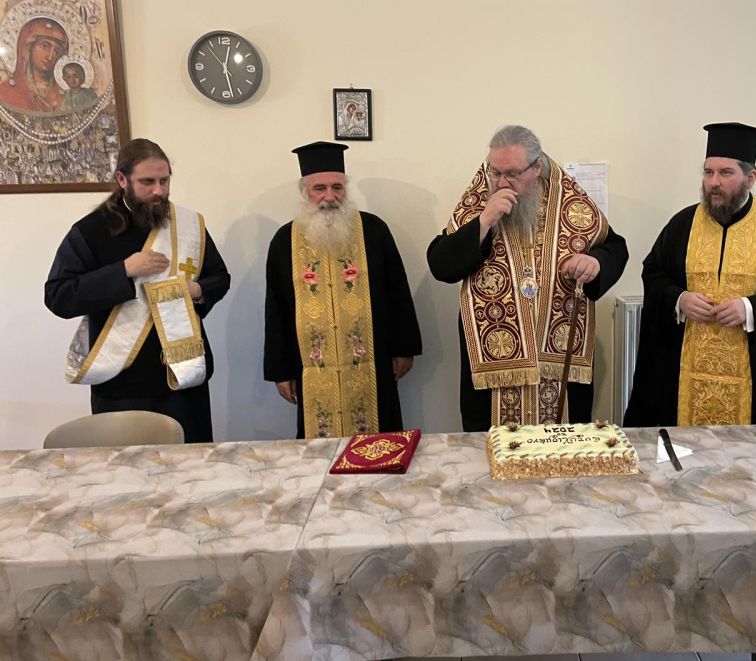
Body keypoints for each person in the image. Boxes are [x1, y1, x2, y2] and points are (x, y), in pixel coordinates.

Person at [427, 125, 628, 432]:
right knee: (491, 452)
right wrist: (484, 221)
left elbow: (615, 248)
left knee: (561, 451)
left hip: (558, 365)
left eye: (512, 173)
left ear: (536, 168)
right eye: (495, 172)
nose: (502, 182)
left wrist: (595, 262)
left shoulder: (569, 204)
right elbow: (440, 264)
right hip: (494, 369)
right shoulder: (479, 204)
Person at [624, 122, 756, 427]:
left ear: (751, 177)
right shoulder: (682, 224)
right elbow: (654, 274)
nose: (713, 182)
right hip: (685, 377)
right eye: (708, 172)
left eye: (725, 173)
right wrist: (679, 299)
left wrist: (751, 309)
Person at [45, 139, 231, 442]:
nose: (159, 191)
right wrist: (124, 270)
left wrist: (196, 289)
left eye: (164, 181)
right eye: (147, 182)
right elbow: (58, 296)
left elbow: (220, 278)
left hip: (183, 377)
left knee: (191, 462)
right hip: (121, 383)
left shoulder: (187, 225)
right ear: (122, 179)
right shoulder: (90, 231)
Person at [264, 141, 422, 439]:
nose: (330, 197)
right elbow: (276, 309)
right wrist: (280, 370)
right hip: (310, 368)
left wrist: (404, 349)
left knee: (380, 444)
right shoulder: (285, 240)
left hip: (374, 362)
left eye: (337, 187)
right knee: (319, 452)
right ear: (305, 191)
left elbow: (397, 292)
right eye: (320, 188)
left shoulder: (374, 230)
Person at [0, 17, 68, 112]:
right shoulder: (6, 91)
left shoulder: (67, 97)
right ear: (29, 47)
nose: (50, 57)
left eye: (56, 51)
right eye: (45, 46)